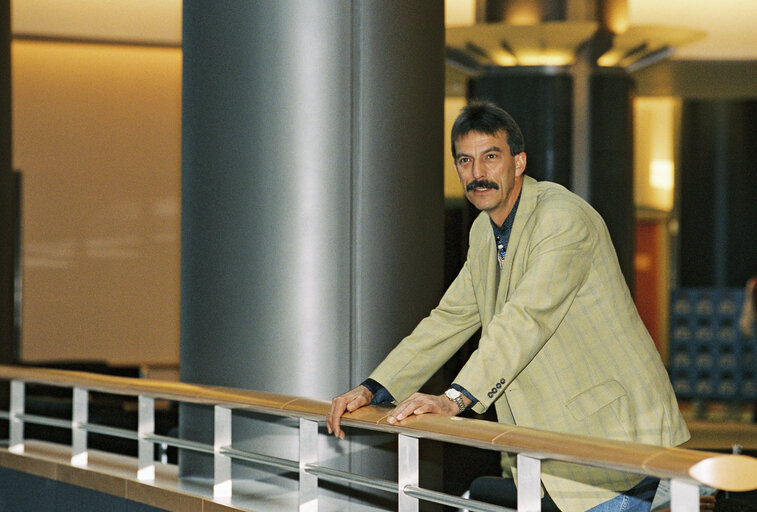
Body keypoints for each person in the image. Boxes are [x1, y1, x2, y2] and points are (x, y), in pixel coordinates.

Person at [327, 100, 690, 512]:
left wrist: (455, 400)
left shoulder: (562, 217)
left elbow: (526, 318)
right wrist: (374, 388)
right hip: (549, 454)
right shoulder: (485, 231)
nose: (478, 173)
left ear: (518, 162)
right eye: (465, 160)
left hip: (613, 445)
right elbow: (449, 319)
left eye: (491, 157)